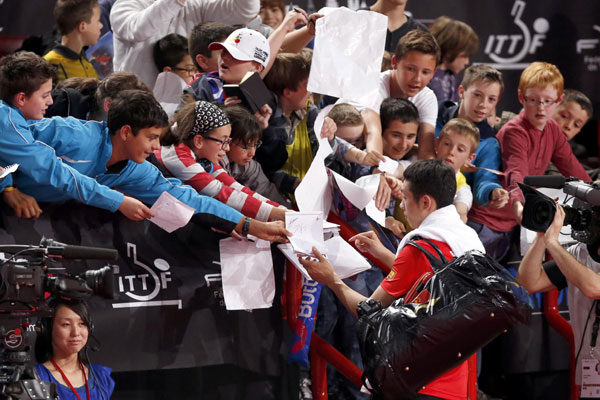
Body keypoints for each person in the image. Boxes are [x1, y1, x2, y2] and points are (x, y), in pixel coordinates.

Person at [300, 159, 484, 400]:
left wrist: (332, 279)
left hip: (419, 383)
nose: (403, 206)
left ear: (426, 202)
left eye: (405, 198)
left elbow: (368, 310)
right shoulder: (468, 239)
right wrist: (385, 254)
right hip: (459, 382)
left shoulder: (419, 248)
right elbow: (429, 277)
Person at [16, 89, 290, 242]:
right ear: (125, 132)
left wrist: (249, 225)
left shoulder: (138, 170)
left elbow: (192, 199)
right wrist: (7, 188)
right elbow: (8, 142)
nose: (158, 148)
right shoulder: (71, 134)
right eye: (151, 138)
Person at [0, 51, 150, 222]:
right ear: (21, 98)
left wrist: (7, 187)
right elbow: (54, 172)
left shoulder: (10, 119)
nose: (50, 101)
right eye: (44, 95)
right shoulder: (8, 123)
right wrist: (118, 202)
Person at [468, 61, 591, 261]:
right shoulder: (514, 130)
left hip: (511, 227)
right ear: (521, 98)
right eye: (534, 100)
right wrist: (518, 202)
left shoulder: (552, 129)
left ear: (558, 100)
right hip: (483, 224)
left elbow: (573, 169)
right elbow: (517, 171)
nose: (541, 108)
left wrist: (593, 191)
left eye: (548, 101)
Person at [516, 205, 600, 397]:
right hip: (593, 378)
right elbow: (528, 282)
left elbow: (594, 287)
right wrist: (541, 237)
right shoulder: (579, 253)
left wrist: (553, 243)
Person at [154, 100, 287, 222]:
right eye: (223, 141)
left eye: (228, 141)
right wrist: (282, 216)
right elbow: (224, 194)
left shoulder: (203, 156)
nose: (227, 148)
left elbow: (237, 188)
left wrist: (283, 211)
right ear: (199, 141)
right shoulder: (179, 159)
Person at [110, 0, 260, 88]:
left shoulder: (197, 4)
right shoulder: (125, 5)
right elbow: (139, 30)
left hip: (183, 104)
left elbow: (245, 10)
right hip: (134, 103)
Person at [343, 29, 440, 160]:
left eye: (425, 72)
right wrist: (379, 170)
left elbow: (426, 151)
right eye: (410, 69)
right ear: (394, 62)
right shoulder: (372, 85)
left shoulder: (427, 98)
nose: (417, 79)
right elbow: (373, 134)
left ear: (433, 73)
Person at [436, 64, 509, 211]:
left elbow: (485, 178)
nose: (483, 105)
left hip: (447, 206)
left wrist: (492, 191)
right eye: (477, 95)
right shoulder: (436, 112)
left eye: (491, 99)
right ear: (462, 91)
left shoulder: (489, 142)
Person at [35, 298, 115, 400]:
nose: (76, 333)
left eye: (82, 324)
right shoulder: (37, 378)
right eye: (66, 324)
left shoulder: (101, 377)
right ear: (47, 329)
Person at [221, 105, 290, 205]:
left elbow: (267, 191)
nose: (252, 153)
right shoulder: (212, 166)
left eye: (255, 144)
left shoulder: (249, 166)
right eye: (245, 146)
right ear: (227, 141)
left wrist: (289, 214)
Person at [43, 0, 103, 83]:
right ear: (82, 26)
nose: (101, 25)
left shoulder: (88, 63)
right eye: (98, 21)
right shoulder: (50, 64)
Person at [435, 118, 479, 223]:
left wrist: (459, 215)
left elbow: (460, 213)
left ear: (470, 158)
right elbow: (398, 168)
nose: (451, 152)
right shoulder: (417, 163)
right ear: (437, 143)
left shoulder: (462, 188)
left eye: (460, 149)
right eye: (447, 144)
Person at [427, 16, 479, 103]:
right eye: (464, 56)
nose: (467, 62)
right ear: (449, 52)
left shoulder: (450, 75)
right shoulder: (430, 79)